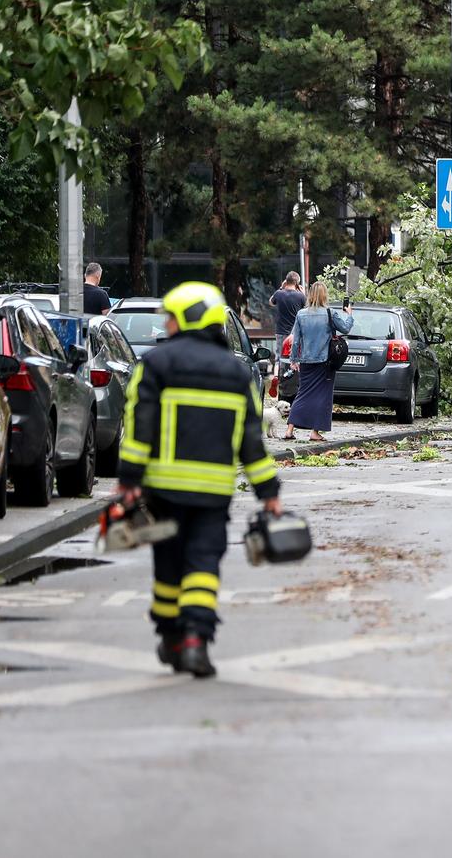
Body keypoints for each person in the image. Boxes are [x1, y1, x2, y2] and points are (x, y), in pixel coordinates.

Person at [115, 281, 282, 678]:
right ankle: (196, 642)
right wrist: (269, 493)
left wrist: (129, 480)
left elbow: (139, 427)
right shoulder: (237, 374)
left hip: (163, 491)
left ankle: (171, 636)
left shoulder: (156, 365)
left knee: (169, 567)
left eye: (170, 319)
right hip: (212, 494)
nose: (166, 326)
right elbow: (251, 442)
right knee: (203, 565)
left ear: (186, 319)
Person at [286, 282, 354, 442]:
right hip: (325, 362)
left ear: (310, 295)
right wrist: (349, 314)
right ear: (324, 295)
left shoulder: (301, 314)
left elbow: (296, 341)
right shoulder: (330, 313)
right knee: (322, 397)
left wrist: (294, 359)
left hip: (306, 361)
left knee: (302, 394)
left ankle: (289, 429)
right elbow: (345, 329)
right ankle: (314, 432)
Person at [269, 271, 305, 343]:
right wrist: (303, 293)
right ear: (297, 283)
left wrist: (281, 287)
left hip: (281, 331)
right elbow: (306, 309)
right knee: (295, 354)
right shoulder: (300, 296)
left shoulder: (278, 293)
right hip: (295, 332)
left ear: (286, 281)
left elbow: (271, 302)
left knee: (280, 353)